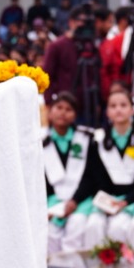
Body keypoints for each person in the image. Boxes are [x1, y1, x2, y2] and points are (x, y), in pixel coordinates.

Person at [74, 85, 134, 250]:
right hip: (106, 200)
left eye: (123, 105)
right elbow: (93, 176)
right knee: (93, 226)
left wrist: (126, 201)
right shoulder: (98, 139)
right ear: (107, 112)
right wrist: (106, 201)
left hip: (133, 200)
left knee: (120, 227)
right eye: (113, 106)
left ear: (132, 110)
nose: (118, 110)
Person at [43, 92, 93, 255]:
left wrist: (75, 200)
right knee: (50, 233)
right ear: (50, 111)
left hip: (80, 200)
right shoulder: (40, 141)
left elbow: (91, 176)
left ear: (75, 116)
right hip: (53, 201)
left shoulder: (86, 138)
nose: (63, 112)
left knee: (76, 226)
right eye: (59, 107)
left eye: (68, 109)